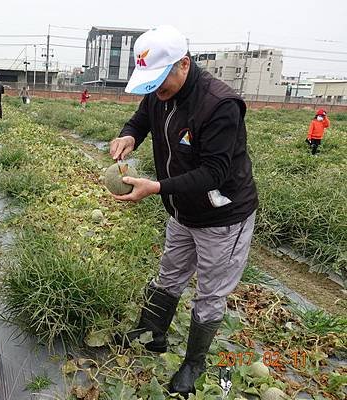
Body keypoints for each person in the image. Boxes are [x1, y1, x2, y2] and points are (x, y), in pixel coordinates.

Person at [109, 25, 258, 397]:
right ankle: (153, 332)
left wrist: (157, 187)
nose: (156, 91)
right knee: (170, 272)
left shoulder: (219, 104)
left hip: (223, 216)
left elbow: (215, 172)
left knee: (210, 292)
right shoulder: (159, 94)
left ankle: (194, 362)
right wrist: (130, 134)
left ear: (184, 64)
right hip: (181, 211)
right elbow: (143, 117)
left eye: (160, 81)